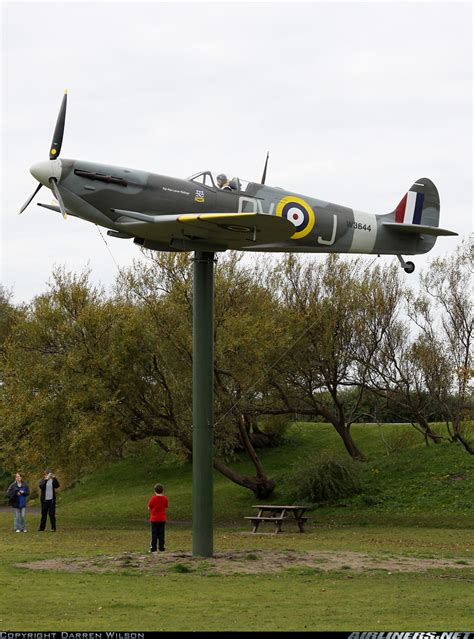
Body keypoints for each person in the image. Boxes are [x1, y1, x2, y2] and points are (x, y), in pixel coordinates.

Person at [147, 483, 168, 553]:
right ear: (162, 490)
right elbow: (166, 506)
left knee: (154, 533)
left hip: (154, 519)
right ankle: (162, 548)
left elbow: (149, 507)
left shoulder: (153, 498)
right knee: (162, 533)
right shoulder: (165, 498)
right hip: (162, 519)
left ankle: (153, 548)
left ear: (155, 491)